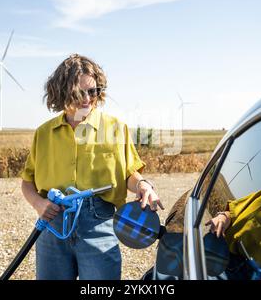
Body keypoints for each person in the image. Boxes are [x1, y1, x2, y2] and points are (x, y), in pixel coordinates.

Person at [20, 54, 164, 280]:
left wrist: (143, 185)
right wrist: (39, 204)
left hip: (99, 223)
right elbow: (27, 182)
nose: (87, 99)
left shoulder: (116, 128)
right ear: (62, 92)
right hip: (53, 225)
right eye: (80, 92)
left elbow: (128, 174)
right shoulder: (44, 133)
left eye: (93, 91)